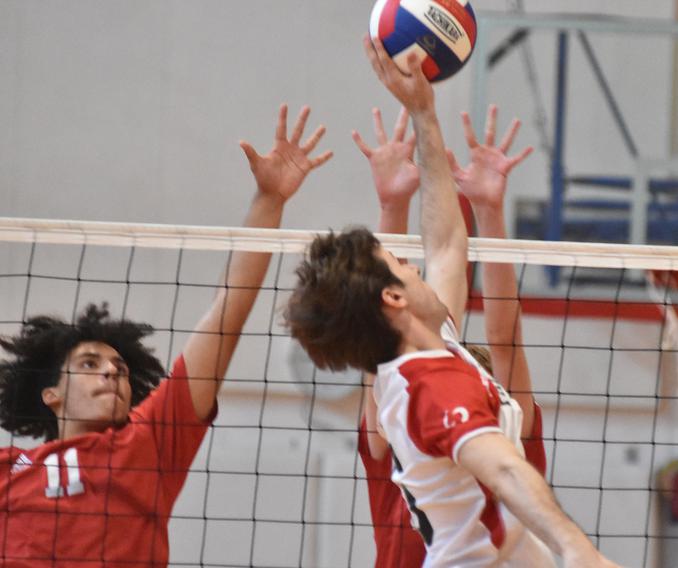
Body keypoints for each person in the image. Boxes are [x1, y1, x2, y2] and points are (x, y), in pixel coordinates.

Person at [286, 36, 619, 567]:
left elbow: (445, 243)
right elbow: (505, 469)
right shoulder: (429, 387)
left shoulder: (430, 356)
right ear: (394, 298)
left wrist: (425, 113)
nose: (414, 264)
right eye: (400, 266)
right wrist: (579, 550)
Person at [0, 104, 332, 568]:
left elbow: (226, 314)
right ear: (51, 393)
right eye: (91, 363)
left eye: (119, 366)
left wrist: (269, 200)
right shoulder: (8, 469)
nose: (113, 371)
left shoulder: (148, 443)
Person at [353, 104, 543, 567]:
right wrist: (391, 205)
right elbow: (384, 328)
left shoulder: (507, 425)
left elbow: (505, 339)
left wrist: (489, 211)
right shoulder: (396, 415)